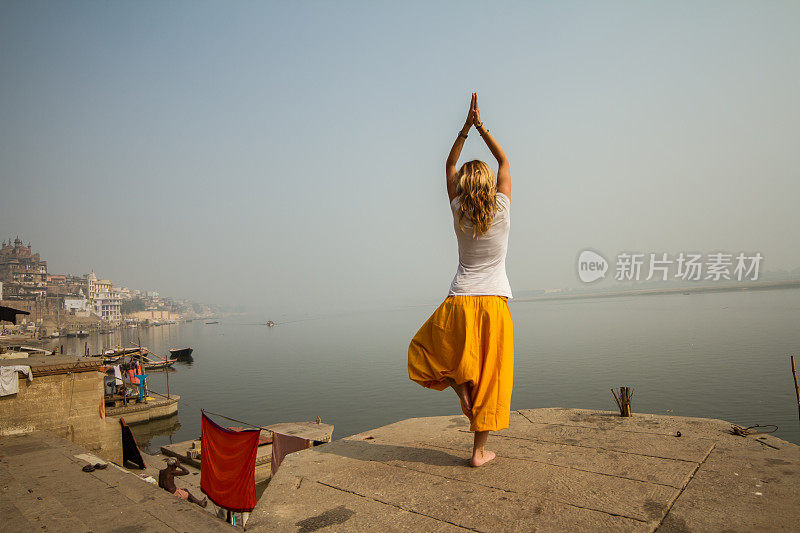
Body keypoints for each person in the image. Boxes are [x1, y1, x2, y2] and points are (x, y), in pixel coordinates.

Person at [408, 92, 513, 467]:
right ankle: (479, 452)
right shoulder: (501, 208)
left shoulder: (457, 210)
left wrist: (465, 128)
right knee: (490, 376)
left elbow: (449, 162)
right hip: (494, 304)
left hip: (460, 301)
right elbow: (502, 159)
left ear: (465, 188)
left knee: (424, 351)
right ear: (488, 186)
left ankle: (460, 389)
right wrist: (483, 126)